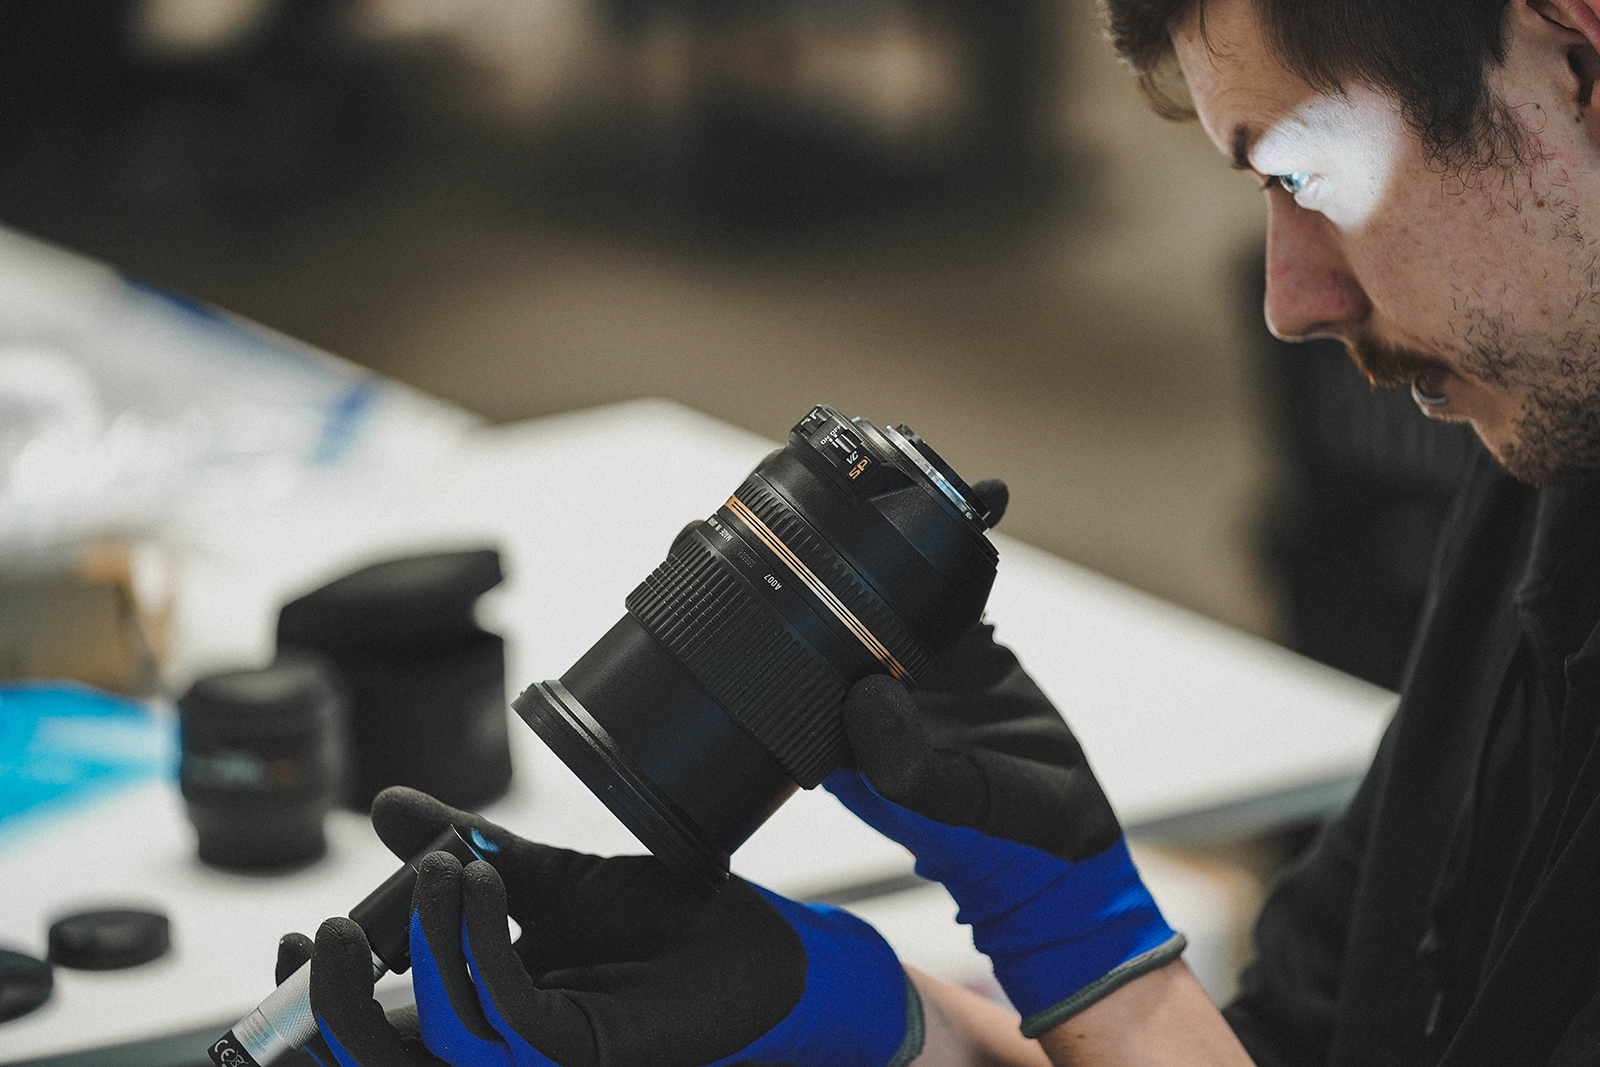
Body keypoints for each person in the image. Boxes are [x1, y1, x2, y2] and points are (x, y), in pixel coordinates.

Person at [280, 0, 1600, 1063]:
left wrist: (1069, 948)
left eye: (1314, 172)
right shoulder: (1543, 461)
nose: (1290, 300)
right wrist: (899, 1021)